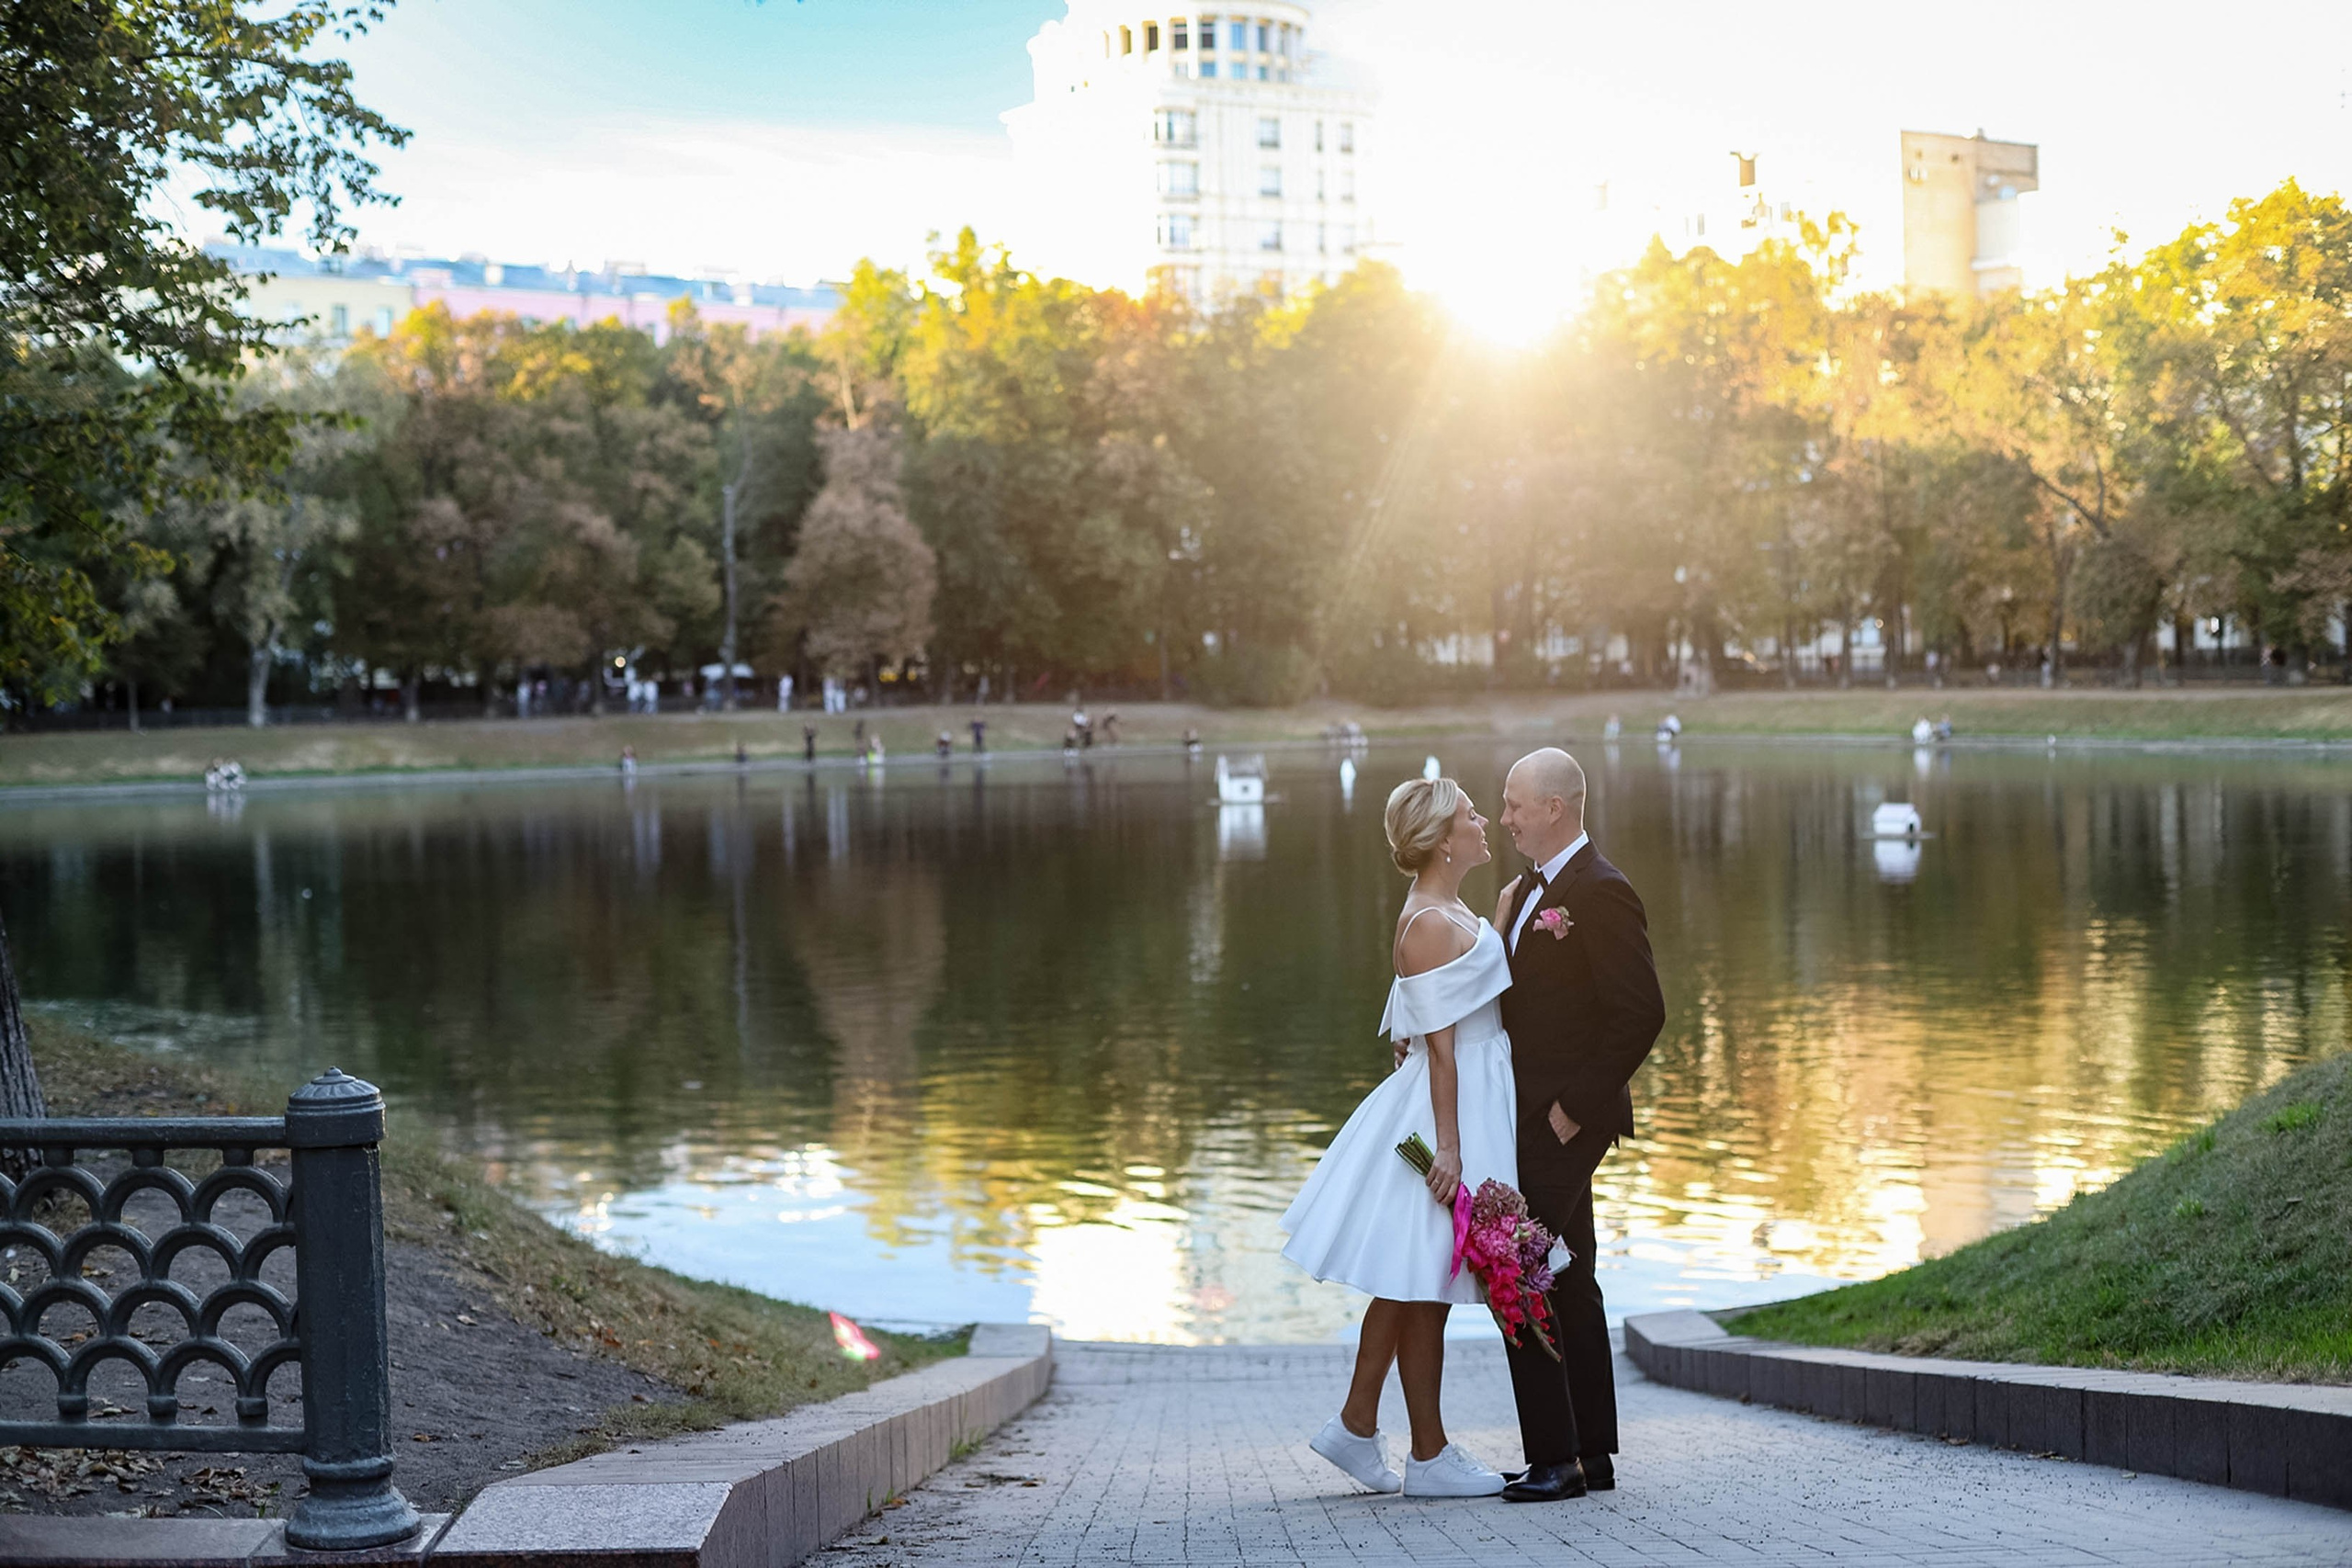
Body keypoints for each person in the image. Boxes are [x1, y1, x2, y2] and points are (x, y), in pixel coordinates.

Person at [1279, 776, 1517, 1499]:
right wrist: (1448, 1148)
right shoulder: (1428, 922)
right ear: (1445, 839)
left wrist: (1502, 917)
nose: (1483, 822)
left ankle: (1366, 1429)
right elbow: (1441, 1048)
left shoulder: (1450, 910)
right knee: (1421, 1279)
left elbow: (1435, 1008)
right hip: (1444, 1109)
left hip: (1465, 1093)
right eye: (1472, 815)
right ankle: (1417, 1448)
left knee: (1418, 1279)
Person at [1490, 749, 1665, 1502]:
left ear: (1554, 807)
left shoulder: (1601, 890)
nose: (1505, 818)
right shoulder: (1530, 890)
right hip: (1526, 1114)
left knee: (1514, 1270)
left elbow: (1641, 1011)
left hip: (1564, 1120)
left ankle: (1554, 1458)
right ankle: (1590, 1453)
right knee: (1571, 1276)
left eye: (1514, 804)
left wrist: (1573, 1108)